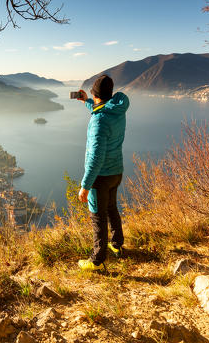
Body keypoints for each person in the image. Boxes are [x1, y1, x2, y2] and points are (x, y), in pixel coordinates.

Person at [76, 74, 129, 271]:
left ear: (97, 96)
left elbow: (95, 158)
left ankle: (97, 260)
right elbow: (100, 109)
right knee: (111, 209)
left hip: (101, 177)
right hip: (116, 172)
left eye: (92, 96)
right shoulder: (116, 111)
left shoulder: (99, 122)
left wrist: (85, 186)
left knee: (97, 216)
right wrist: (86, 102)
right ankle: (116, 246)